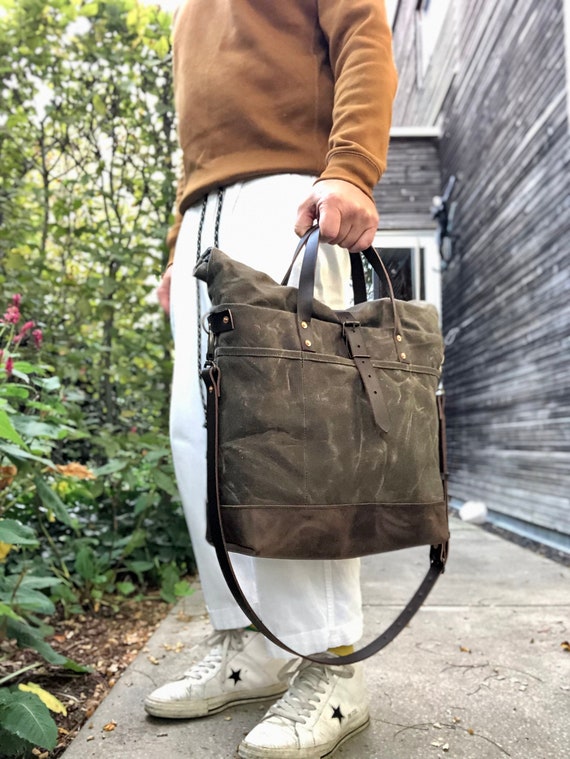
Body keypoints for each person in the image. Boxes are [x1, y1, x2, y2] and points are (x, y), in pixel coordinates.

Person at [146, 1, 398, 757]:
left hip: (291, 198)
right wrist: (178, 238)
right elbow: (204, 140)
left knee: (291, 431)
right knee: (200, 433)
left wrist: (351, 168)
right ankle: (248, 644)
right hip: (206, 215)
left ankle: (332, 664)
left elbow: (364, 34)